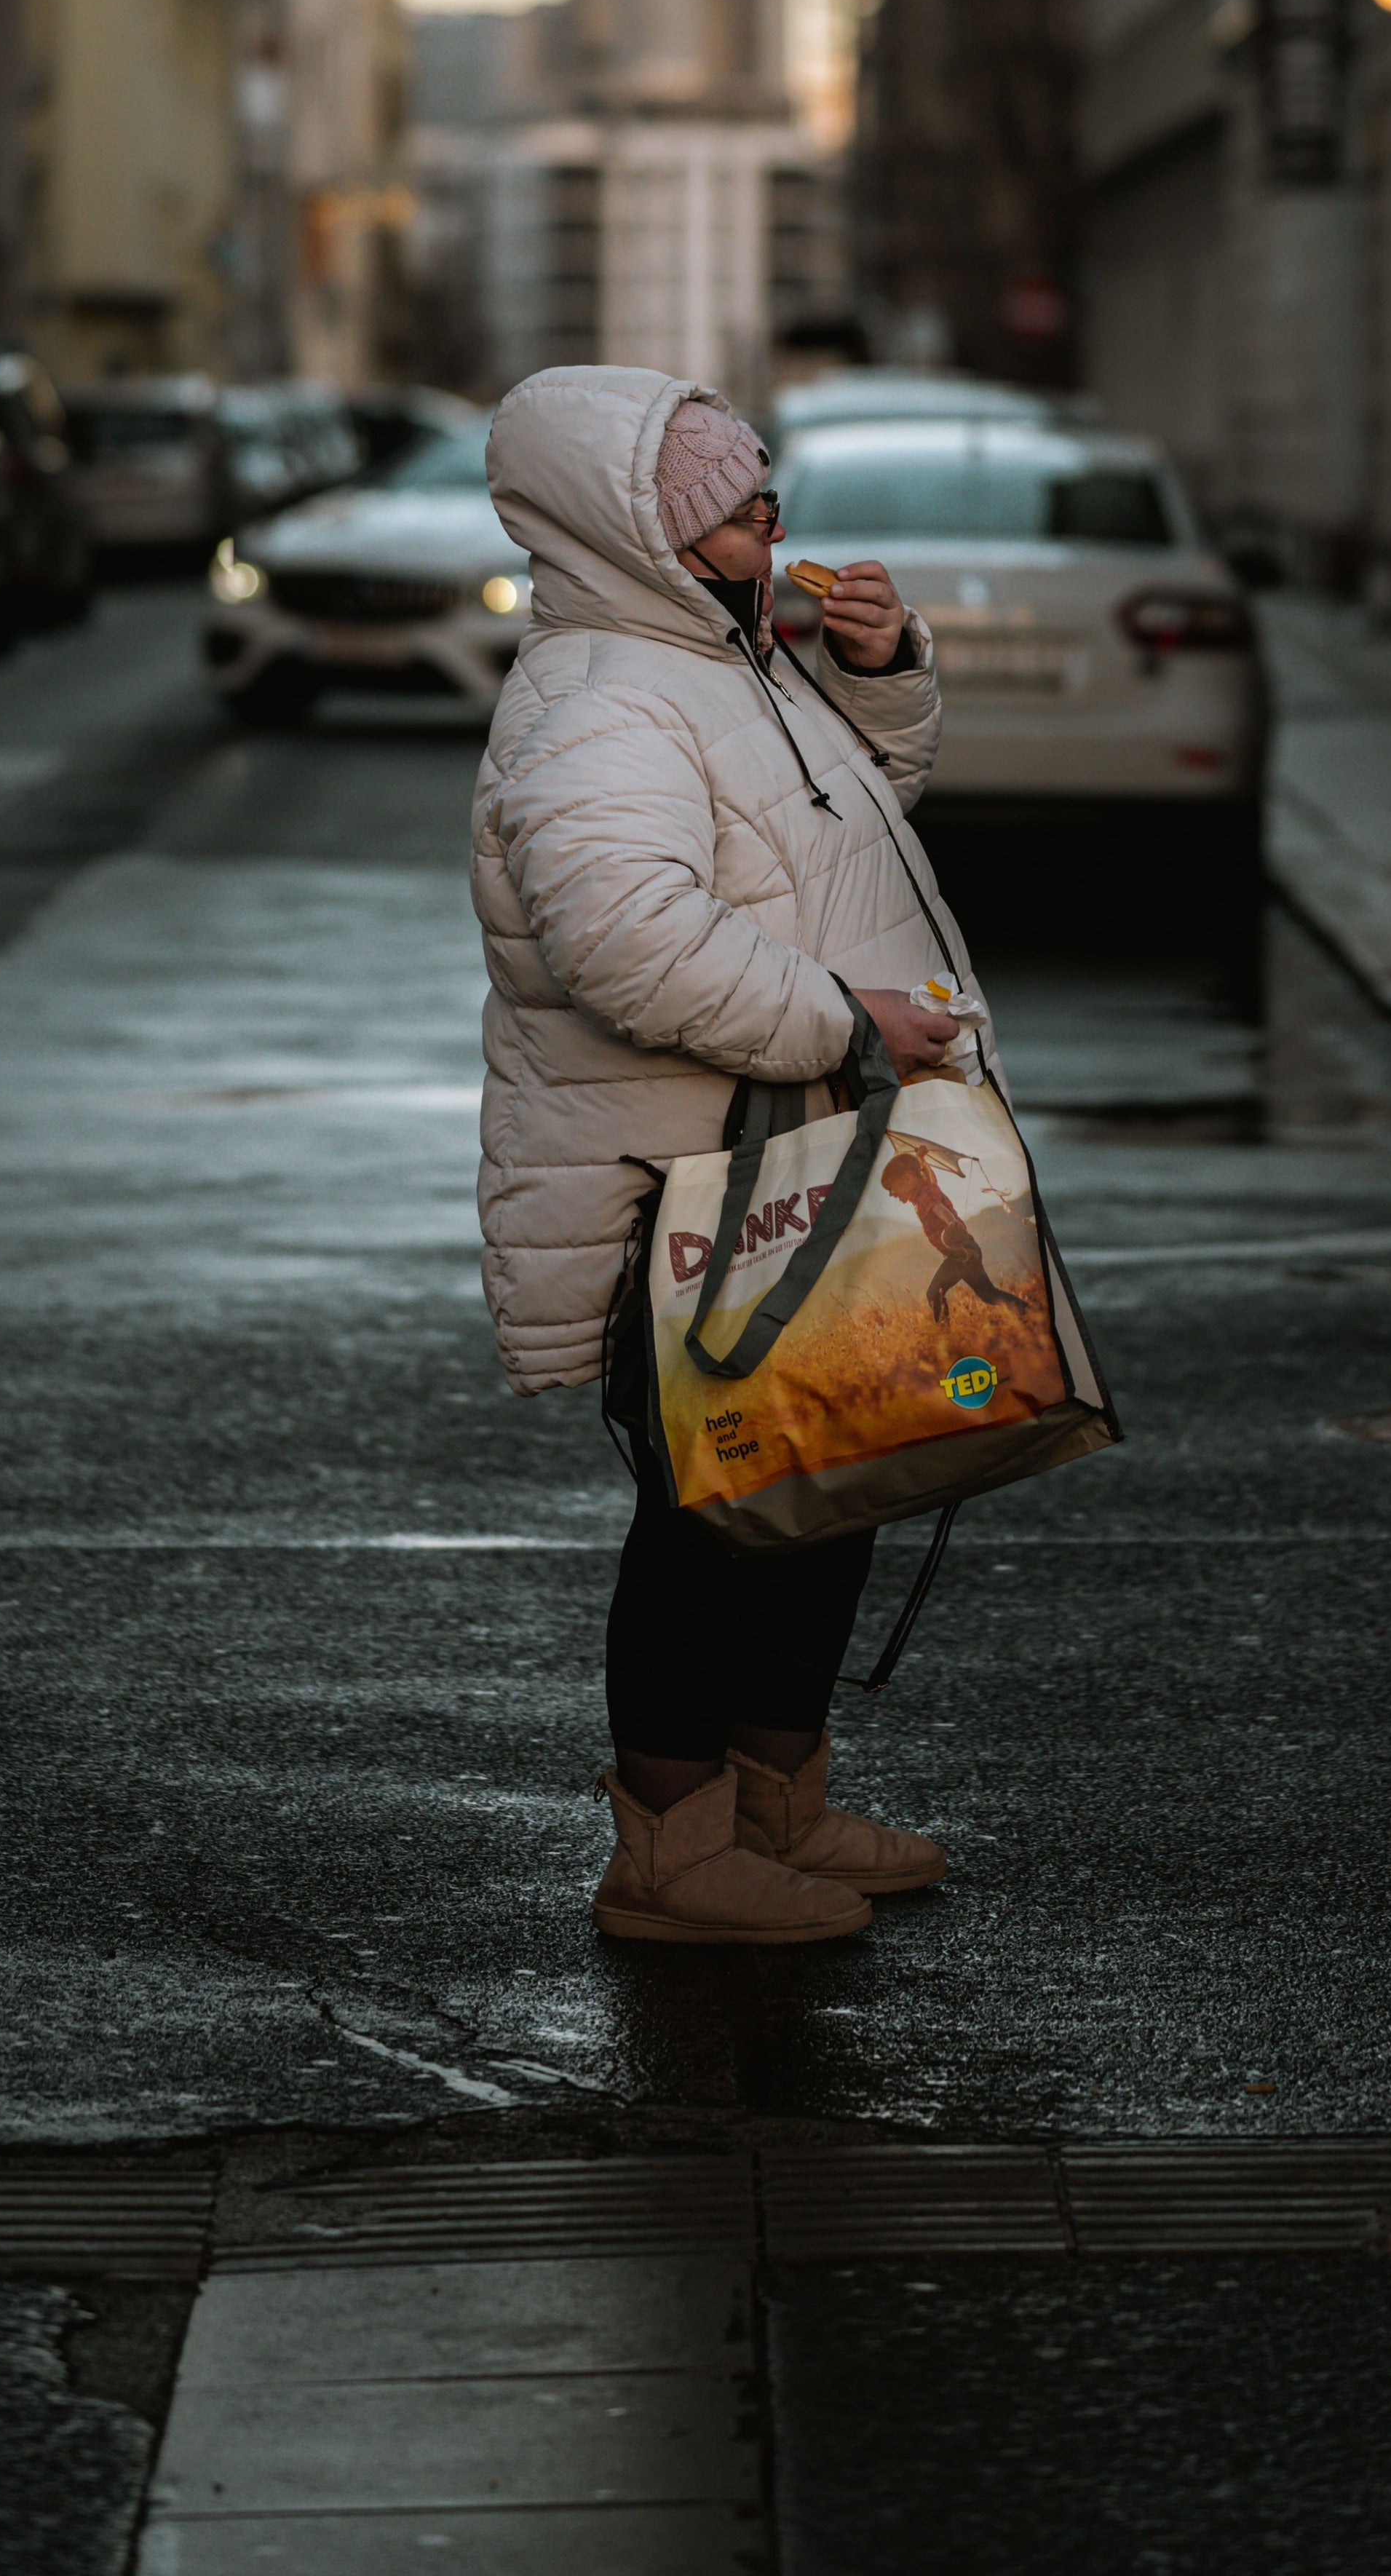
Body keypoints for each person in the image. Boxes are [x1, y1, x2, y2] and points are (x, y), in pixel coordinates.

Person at [471, 362, 982, 1949]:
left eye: (769, 499)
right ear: (649, 529)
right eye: (744, 507)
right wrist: (843, 1021)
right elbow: (626, 942)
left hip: (800, 1152)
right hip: (698, 1165)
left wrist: (879, 670)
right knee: (713, 1515)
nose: (779, 525)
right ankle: (670, 1855)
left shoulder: (719, 657)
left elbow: (843, 821)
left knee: (824, 1482)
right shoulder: (599, 699)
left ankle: (778, 1807)